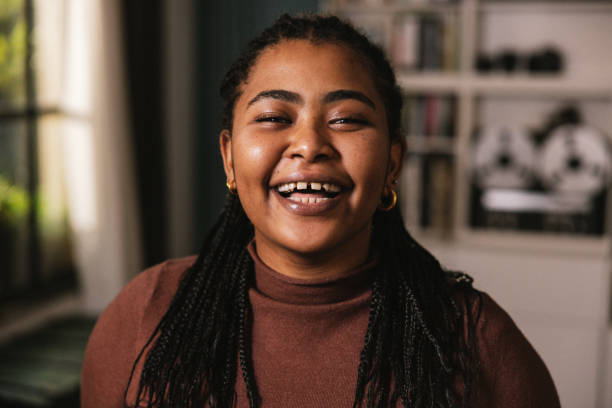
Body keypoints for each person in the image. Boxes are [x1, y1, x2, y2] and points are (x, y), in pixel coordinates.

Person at [81, 14, 560, 408]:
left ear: (393, 161)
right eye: (273, 118)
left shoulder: (477, 340)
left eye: (346, 120)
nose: (309, 145)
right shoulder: (144, 314)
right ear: (228, 156)